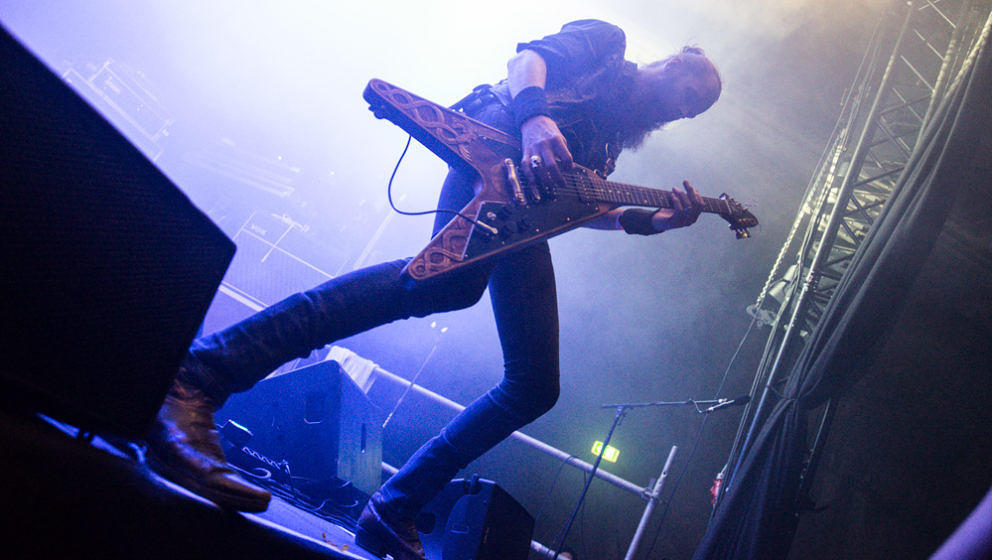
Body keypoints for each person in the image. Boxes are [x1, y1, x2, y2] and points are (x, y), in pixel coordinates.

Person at [145, 19, 722, 560]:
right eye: (688, 95)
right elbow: (527, 60)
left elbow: (583, 210)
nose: (683, 111)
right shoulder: (608, 44)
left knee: (533, 384)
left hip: (521, 217)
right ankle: (199, 377)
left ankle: (395, 503)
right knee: (440, 287)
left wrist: (654, 222)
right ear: (674, 63)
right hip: (491, 151)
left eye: (694, 112)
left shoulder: (614, 141)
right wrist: (534, 120)